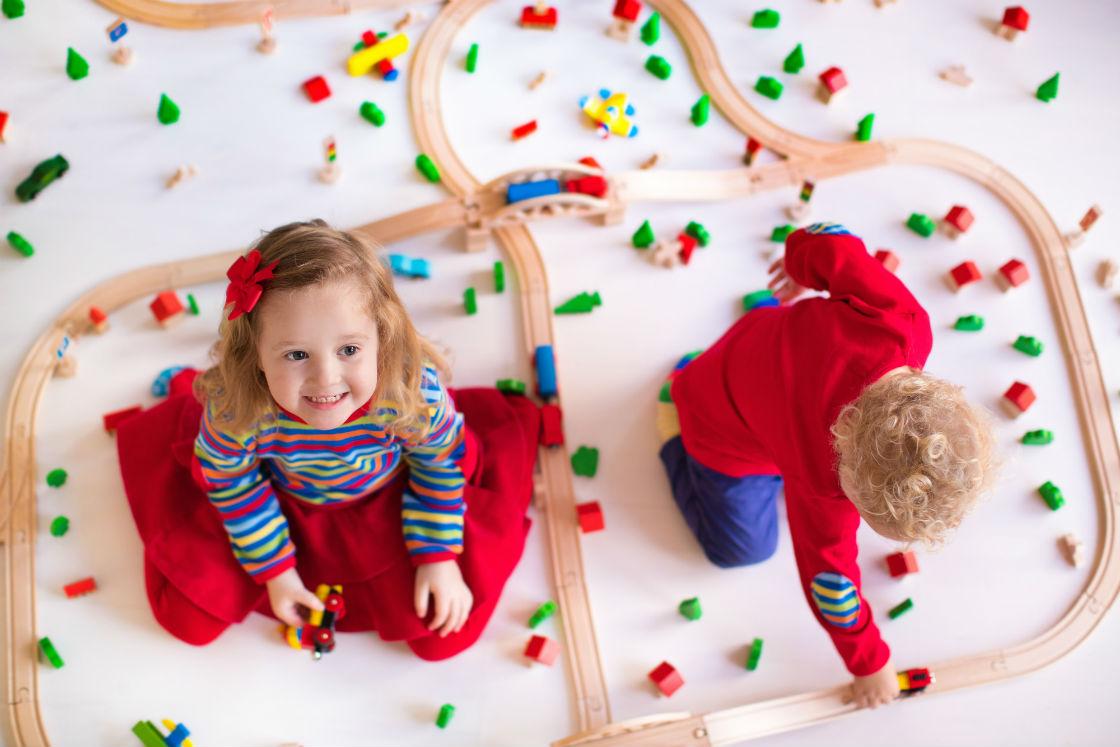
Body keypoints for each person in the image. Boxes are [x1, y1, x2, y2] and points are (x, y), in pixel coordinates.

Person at [117, 220, 540, 660]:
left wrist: (437, 556)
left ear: (383, 337)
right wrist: (277, 574)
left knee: (443, 637)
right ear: (255, 355)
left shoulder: (411, 394)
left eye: (349, 350)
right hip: (280, 507)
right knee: (186, 618)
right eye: (296, 354)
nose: (326, 379)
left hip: (390, 502)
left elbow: (439, 465)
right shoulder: (235, 410)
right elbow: (233, 484)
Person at [658, 222, 997, 707]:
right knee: (739, 551)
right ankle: (672, 419)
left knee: (748, 396)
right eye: (863, 512)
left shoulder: (903, 323)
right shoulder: (822, 482)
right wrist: (870, 662)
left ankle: (694, 376)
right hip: (714, 423)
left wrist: (798, 267)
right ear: (848, 478)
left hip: (746, 348)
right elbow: (830, 581)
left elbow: (833, 243)